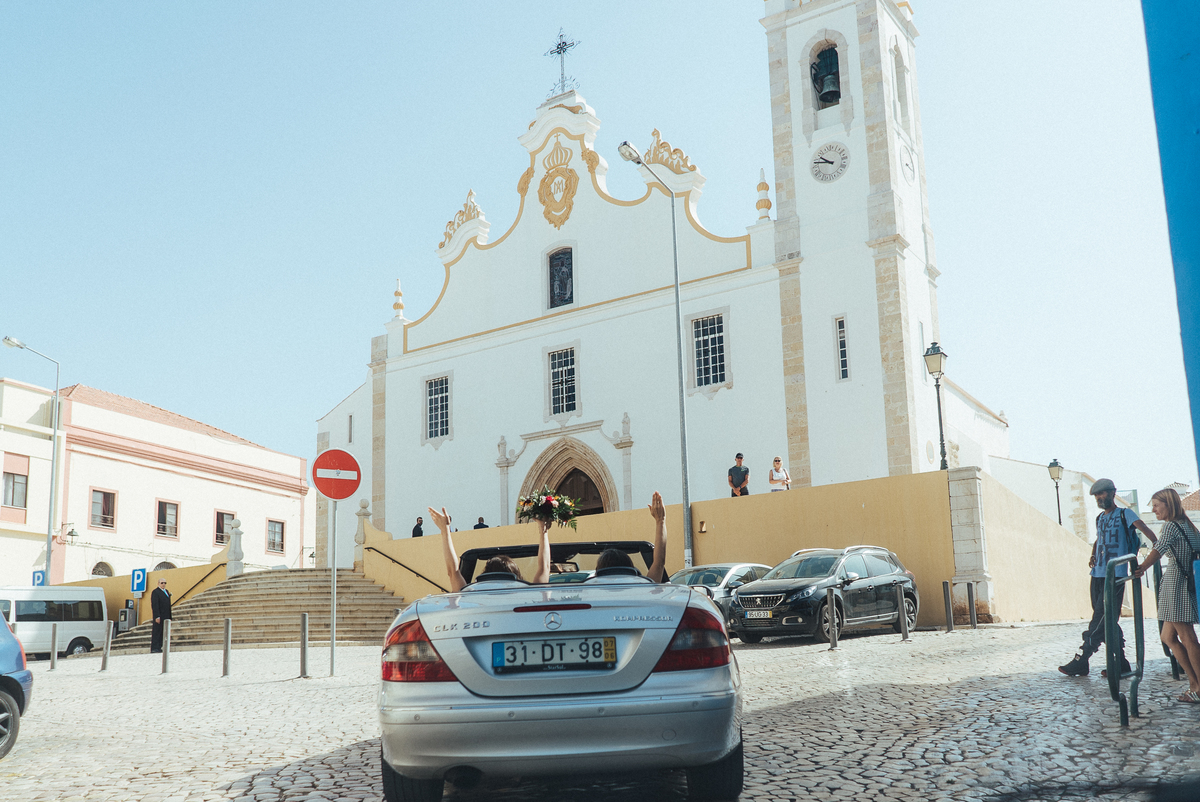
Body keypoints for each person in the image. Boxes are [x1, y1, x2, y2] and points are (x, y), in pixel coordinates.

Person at [1059, 478, 1157, 677]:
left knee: (1101, 619)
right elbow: (1099, 538)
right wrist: (1093, 554)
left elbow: (1148, 533)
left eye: (1102, 493)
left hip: (1115, 575)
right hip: (1097, 574)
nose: (1099, 497)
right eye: (1096, 495)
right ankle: (1120, 663)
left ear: (1113, 493)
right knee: (1106, 620)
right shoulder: (1100, 518)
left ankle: (1082, 658)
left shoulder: (1125, 514)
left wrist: (1146, 560)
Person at [1134, 488, 1200, 702]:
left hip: (1176, 585)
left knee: (1188, 638)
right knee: (1168, 637)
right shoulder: (1188, 525)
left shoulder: (1171, 526)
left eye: (1156, 505)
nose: (1153, 510)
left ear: (1168, 504)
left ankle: (1199, 688)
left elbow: (1159, 548)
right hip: (1184, 582)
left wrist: (1141, 568)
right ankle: (1194, 683)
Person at [434, 506, 550, 591]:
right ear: (516, 574)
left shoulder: (470, 595)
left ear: (486, 574)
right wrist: (543, 527)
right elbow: (544, 567)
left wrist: (445, 530)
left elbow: (453, 572)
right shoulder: (529, 594)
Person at [594, 491, 668, 582]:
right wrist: (660, 520)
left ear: (598, 572)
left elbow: (659, 563)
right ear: (631, 569)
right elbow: (659, 563)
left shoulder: (588, 589)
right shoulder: (643, 589)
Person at [150, 578, 172, 654]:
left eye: (165, 583)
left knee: (163, 632)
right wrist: (157, 616)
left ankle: (160, 646)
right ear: (158, 583)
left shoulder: (166, 591)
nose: (163, 584)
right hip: (159, 615)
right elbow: (155, 605)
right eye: (162, 583)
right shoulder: (155, 592)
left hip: (166, 615)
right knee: (157, 631)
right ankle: (155, 647)